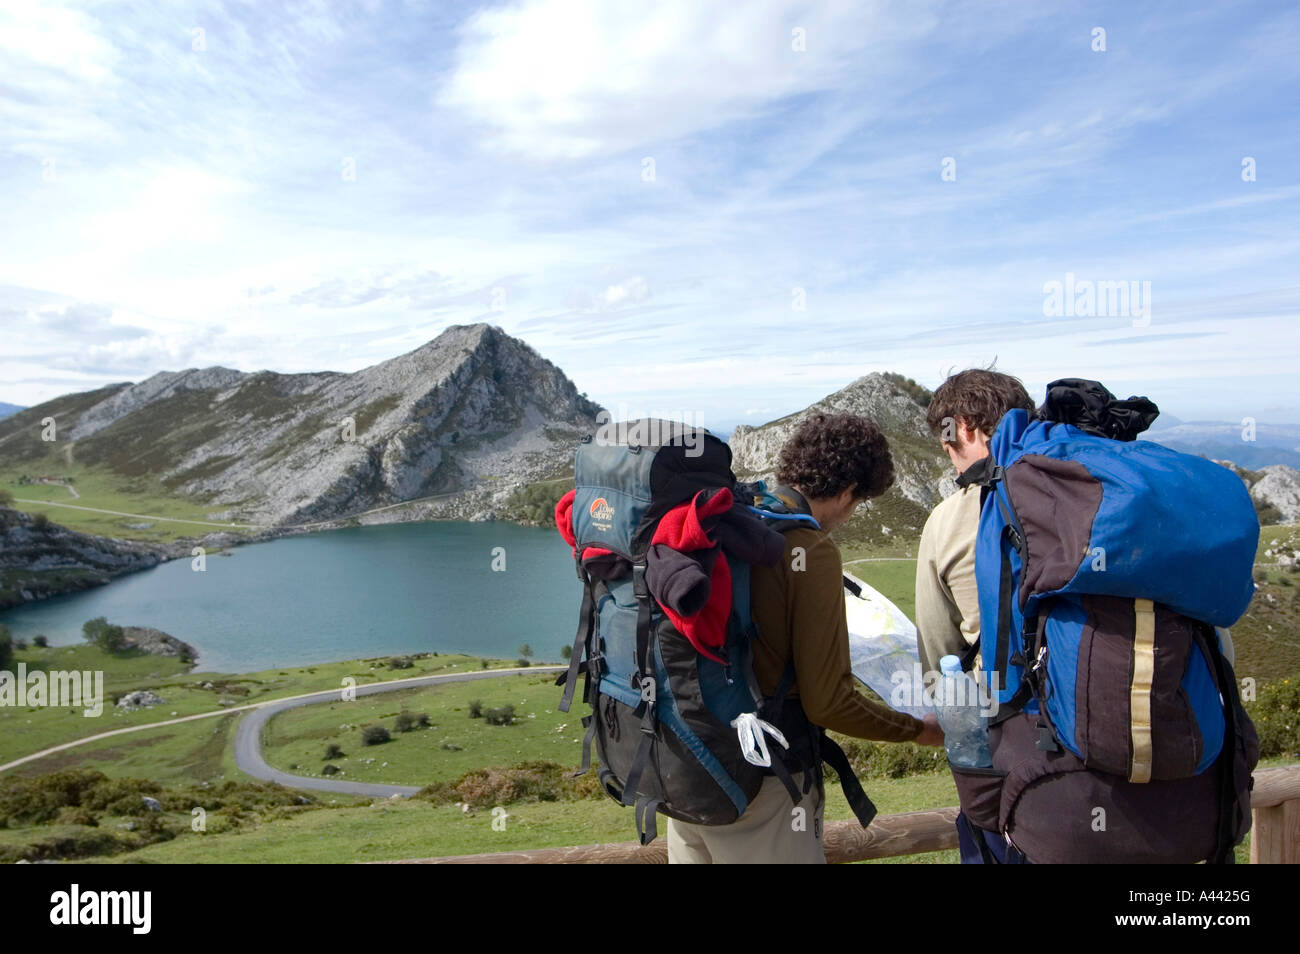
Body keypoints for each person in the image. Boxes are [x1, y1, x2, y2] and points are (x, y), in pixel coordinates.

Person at [667, 412, 944, 864]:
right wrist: (918, 730)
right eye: (858, 503)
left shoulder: (732, 521)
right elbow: (829, 703)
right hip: (764, 786)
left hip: (690, 769)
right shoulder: (809, 549)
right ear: (849, 492)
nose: (851, 516)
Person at [914, 368, 1036, 863]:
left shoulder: (949, 519)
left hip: (1016, 767)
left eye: (947, 444)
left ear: (963, 427)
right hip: (1147, 766)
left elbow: (939, 662)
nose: (949, 457)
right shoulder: (1096, 488)